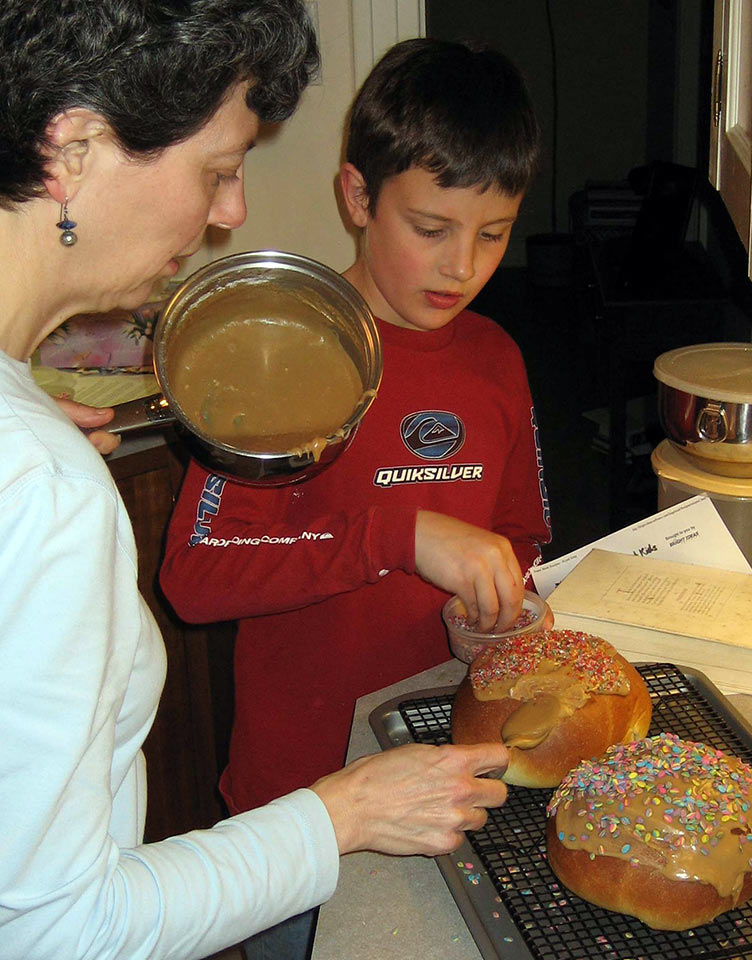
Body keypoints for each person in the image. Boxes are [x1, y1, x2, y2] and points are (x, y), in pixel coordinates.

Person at [0, 6, 511, 960]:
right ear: (72, 149)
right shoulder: (38, 490)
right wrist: (342, 811)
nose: (232, 212)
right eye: (219, 169)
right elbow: (57, 928)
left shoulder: (26, 462)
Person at [160, 39, 550, 955]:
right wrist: (396, 535)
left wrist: (495, 607)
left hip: (453, 782)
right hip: (302, 811)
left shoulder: (496, 357)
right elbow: (196, 576)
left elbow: (522, 529)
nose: (462, 265)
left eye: (492, 234)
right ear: (356, 196)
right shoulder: (274, 351)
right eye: (430, 227)